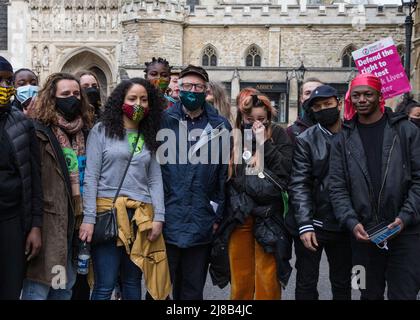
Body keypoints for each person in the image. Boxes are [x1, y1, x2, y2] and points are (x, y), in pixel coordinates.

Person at [329, 73, 420, 300]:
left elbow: (418, 180)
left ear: (379, 96)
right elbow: (337, 187)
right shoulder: (342, 139)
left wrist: (405, 217)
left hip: (406, 233)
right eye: (356, 95)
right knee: (366, 293)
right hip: (363, 235)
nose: (362, 100)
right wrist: (351, 222)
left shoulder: (406, 131)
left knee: (404, 294)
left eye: (368, 94)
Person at [79, 77, 171, 300]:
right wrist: (89, 218)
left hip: (140, 217)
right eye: (132, 98)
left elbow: (154, 179)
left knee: (132, 282)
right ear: (121, 100)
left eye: (143, 99)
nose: (138, 104)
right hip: (107, 214)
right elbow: (91, 177)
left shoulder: (148, 134)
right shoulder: (102, 131)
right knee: (105, 284)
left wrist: (159, 216)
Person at [159, 65, 231, 300]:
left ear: (206, 90)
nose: (192, 90)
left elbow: (222, 175)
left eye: (198, 87)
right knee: (159, 289)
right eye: (187, 86)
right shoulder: (164, 121)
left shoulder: (220, 126)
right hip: (167, 216)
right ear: (178, 90)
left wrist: (217, 214)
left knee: (191, 290)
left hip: (201, 218)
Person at [21, 72, 92, 300]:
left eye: (76, 94)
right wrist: (34, 226)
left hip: (73, 227)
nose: (72, 98)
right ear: (52, 97)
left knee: (63, 289)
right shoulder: (38, 131)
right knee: (38, 291)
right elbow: (30, 183)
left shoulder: (85, 132)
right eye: (65, 94)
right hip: (48, 225)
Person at [217, 92, 293, 300]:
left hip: (269, 217)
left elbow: (284, 171)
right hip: (240, 215)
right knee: (241, 275)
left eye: (261, 119)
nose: (255, 124)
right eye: (250, 120)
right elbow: (227, 178)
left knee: (267, 278)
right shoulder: (234, 137)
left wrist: (264, 144)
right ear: (242, 118)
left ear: (269, 116)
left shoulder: (278, 134)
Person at [287, 85, 352, 300]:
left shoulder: (354, 133)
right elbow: (299, 183)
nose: (324, 109)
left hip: (345, 224)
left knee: (344, 282)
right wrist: (305, 224)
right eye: (318, 107)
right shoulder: (306, 139)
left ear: (339, 103)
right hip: (314, 224)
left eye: (328, 104)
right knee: (306, 282)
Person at [0, 56, 42, 300]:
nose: (5, 88)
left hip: (12, 222)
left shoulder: (22, 124)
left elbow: (34, 179)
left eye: (8, 82)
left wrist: (35, 226)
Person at [286, 78, 323, 144]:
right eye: (308, 93)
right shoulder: (291, 132)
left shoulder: (337, 128)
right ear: (301, 99)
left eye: (317, 91)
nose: (312, 96)